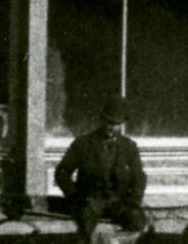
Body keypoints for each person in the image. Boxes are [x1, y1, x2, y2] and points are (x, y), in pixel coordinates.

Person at [54, 96, 146, 243]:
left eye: (116, 124)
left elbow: (140, 177)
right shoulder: (83, 144)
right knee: (85, 231)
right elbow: (62, 172)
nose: (111, 127)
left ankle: (111, 242)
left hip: (118, 201)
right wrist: (74, 196)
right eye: (109, 122)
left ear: (122, 124)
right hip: (90, 201)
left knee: (138, 222)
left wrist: (134, 199)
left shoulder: (129, 147)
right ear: (102, 120)